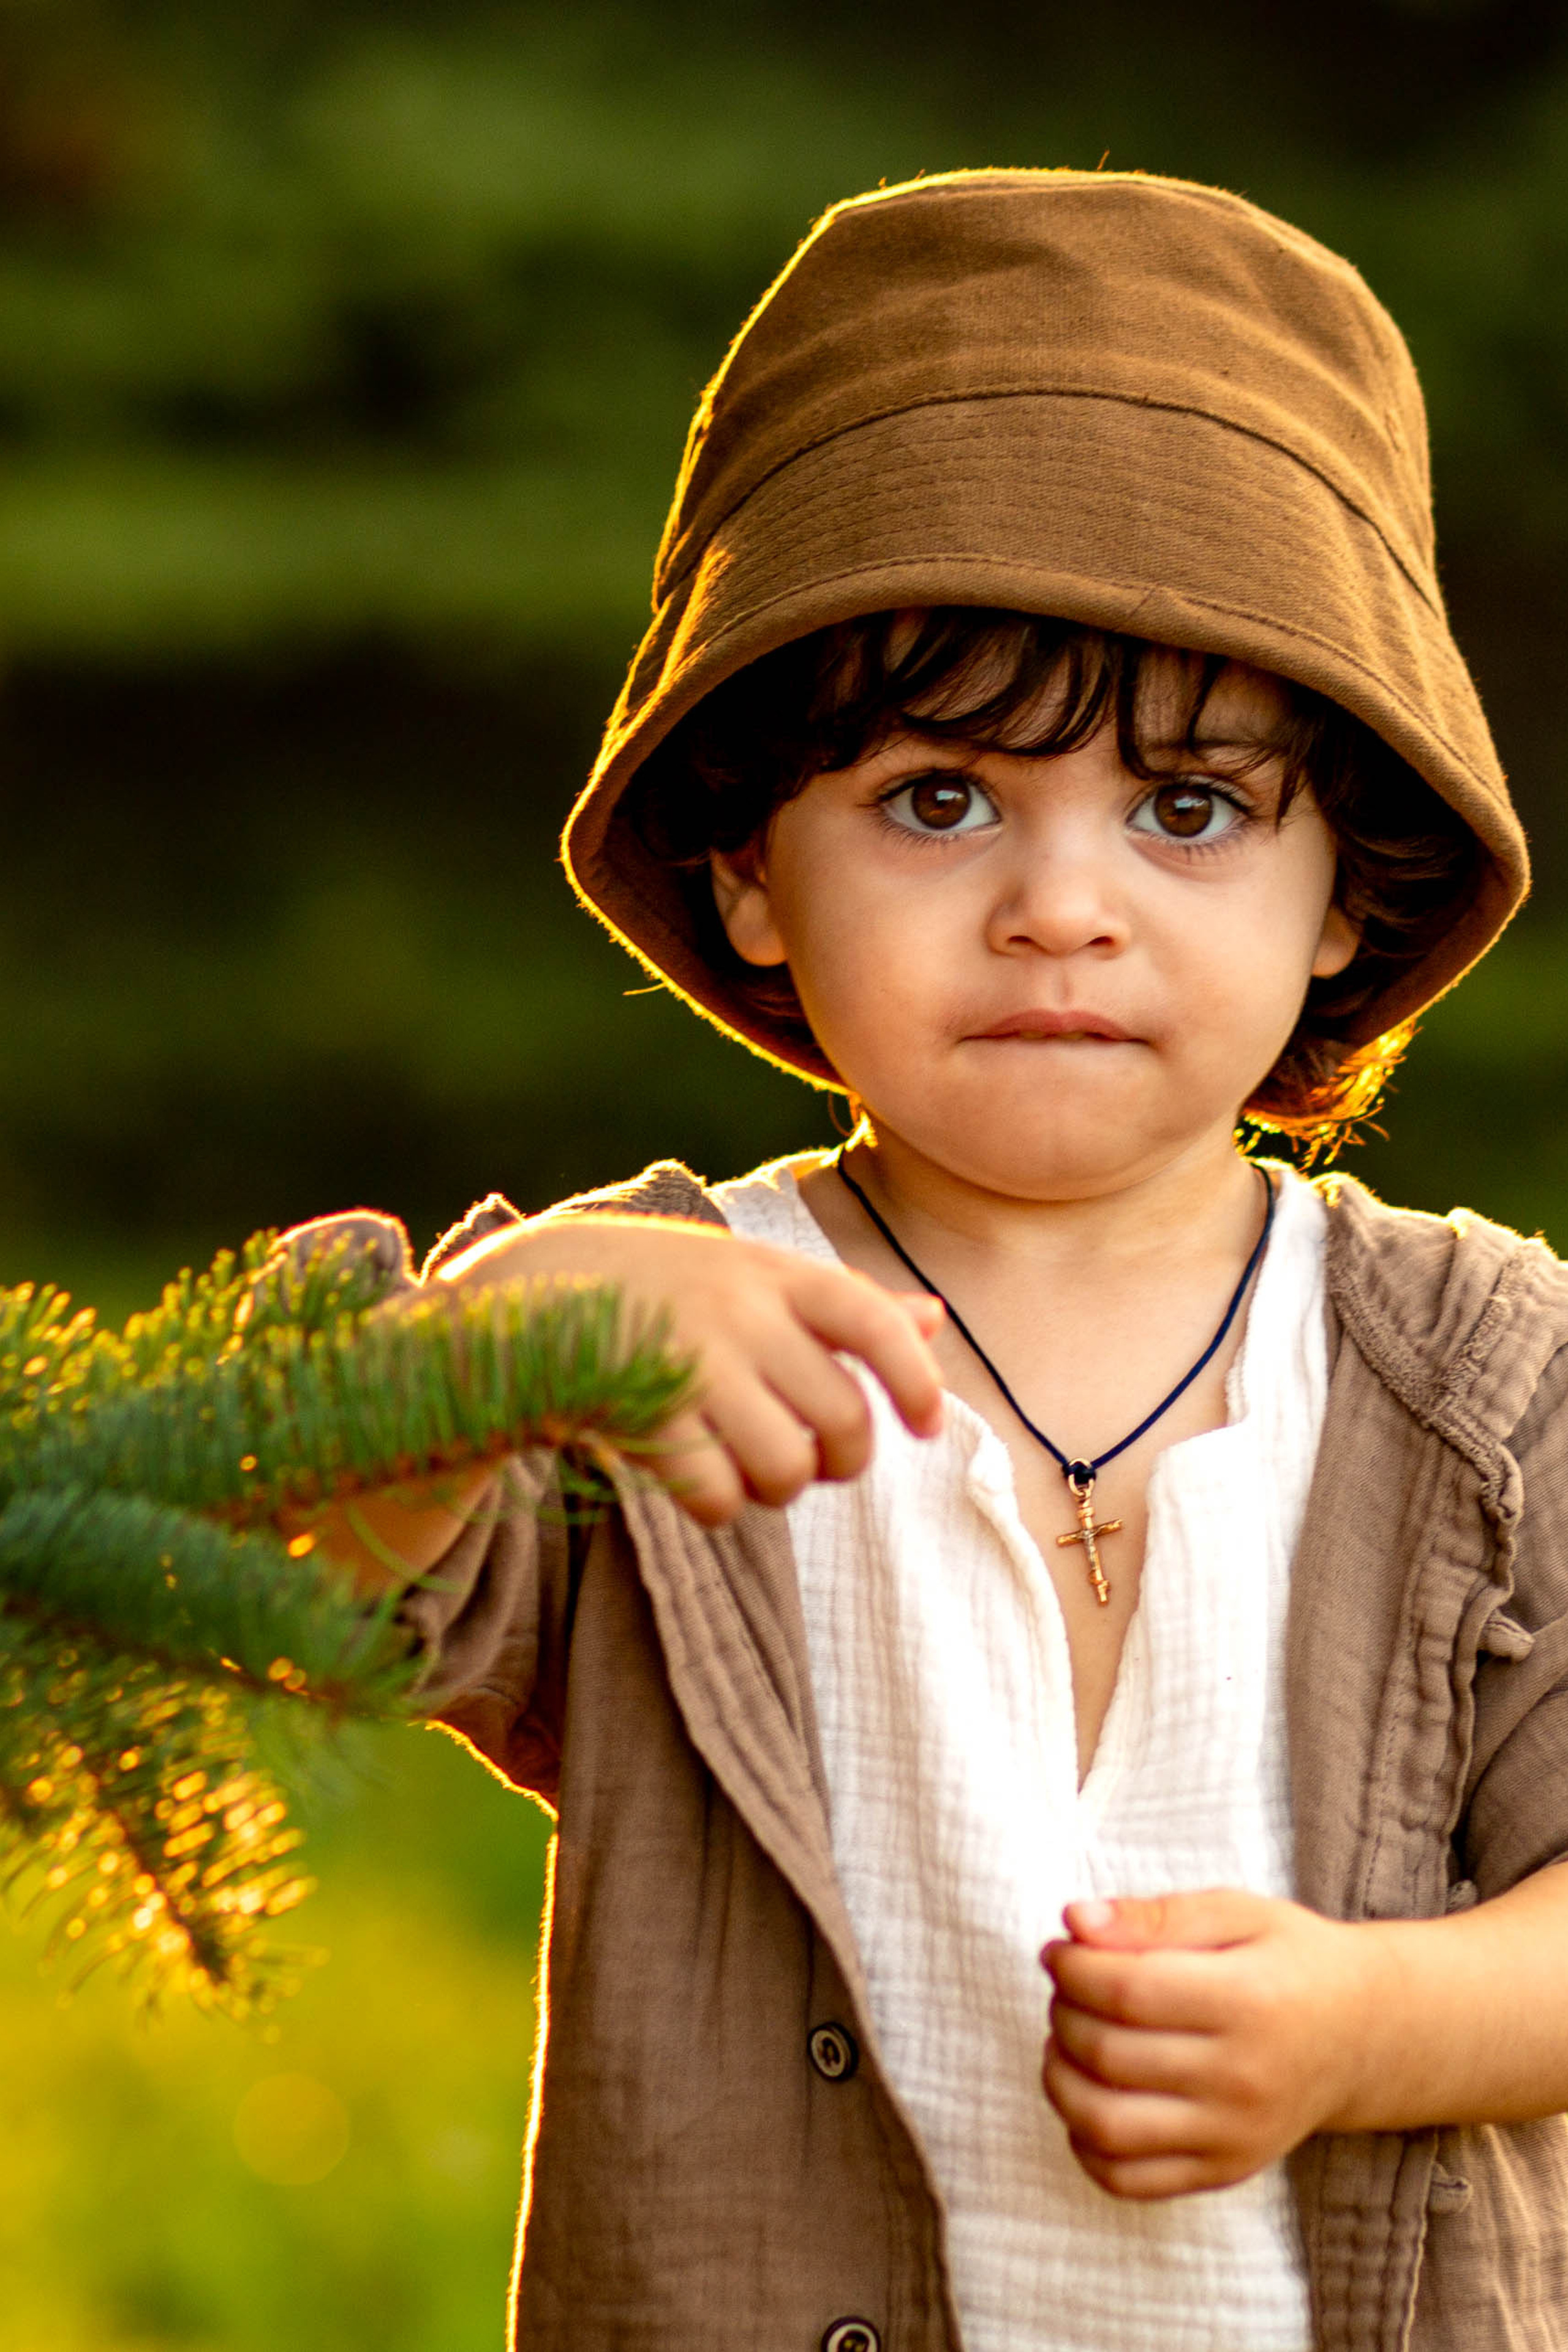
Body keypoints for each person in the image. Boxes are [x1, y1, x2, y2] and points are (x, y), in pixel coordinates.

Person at [295, 172, 1568, 2351]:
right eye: (941, 801)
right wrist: (497, 1348)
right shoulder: (643, 1338)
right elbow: (279, 1591)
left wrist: (1375, 2025)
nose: (1062, 907)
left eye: (1186, 810)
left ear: (1342, 888)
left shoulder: (1488, 1371)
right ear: (752, 868)